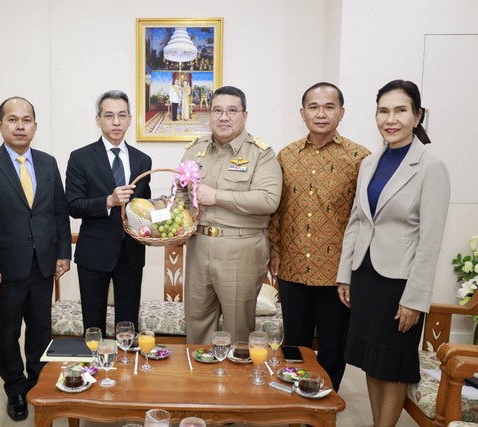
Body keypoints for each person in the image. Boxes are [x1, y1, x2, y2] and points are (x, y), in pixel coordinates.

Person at [337, 80, 450, 426]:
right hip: (366, 276)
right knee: (372, 362)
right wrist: (345, 274)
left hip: (400, 284)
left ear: (417, 116)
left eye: (400, 110)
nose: (391, 119)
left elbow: (430, 240)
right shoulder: (370, 164)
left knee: (394, 366)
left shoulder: (430, 167)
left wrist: (415, 299)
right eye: (383, 111)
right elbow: (357, 222)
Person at [268, 82, 370, 391]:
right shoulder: (286, 156)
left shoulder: (360, 158)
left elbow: (364, 218)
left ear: (342, 112)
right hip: (293, 268)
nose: (321, 113)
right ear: (302, 113)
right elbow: (277, 210)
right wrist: (275, 250)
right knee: (294, 345)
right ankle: (294, 402)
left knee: (333, 348)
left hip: (337, 274)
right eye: (313, 107)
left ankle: (323, 404)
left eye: (329, 107)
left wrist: (354, 269)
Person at [0, 97, 71, 421]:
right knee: (7, 332)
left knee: (40, 329)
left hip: (43, 262)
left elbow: (59, 212)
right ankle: (15, 389)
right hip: (6, 265)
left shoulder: (47, 162)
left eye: (26, 120)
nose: (20, 126)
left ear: (35, 125)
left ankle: (38, 383)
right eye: (12, 119)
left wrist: (63, 253)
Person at [180, 86, 282, 344]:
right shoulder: (195, 149)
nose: (224, 117)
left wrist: (217, 196)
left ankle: (235, 372)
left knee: (238, 330)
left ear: (244, 115)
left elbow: (268, 200)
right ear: (209, 115)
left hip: (241, 250)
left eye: (232, 111)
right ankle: (199, 371)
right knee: (197, 324)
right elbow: (181, 195)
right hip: (199, 246)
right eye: (217, 111)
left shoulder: (261, 153)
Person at [65, 90, 152, 335]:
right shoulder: (80, 158)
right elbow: (73, 205)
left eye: (122, 115)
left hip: (131, 254)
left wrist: (163, 210)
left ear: (130, 119)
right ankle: (95, 361)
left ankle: (126, 361)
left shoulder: (142, 160)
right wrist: (108, 201)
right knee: (93, 328)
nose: (116, 122)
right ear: (98, 120)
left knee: (128, 327)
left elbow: (143, 205)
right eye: (109, 115)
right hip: (94, 254)